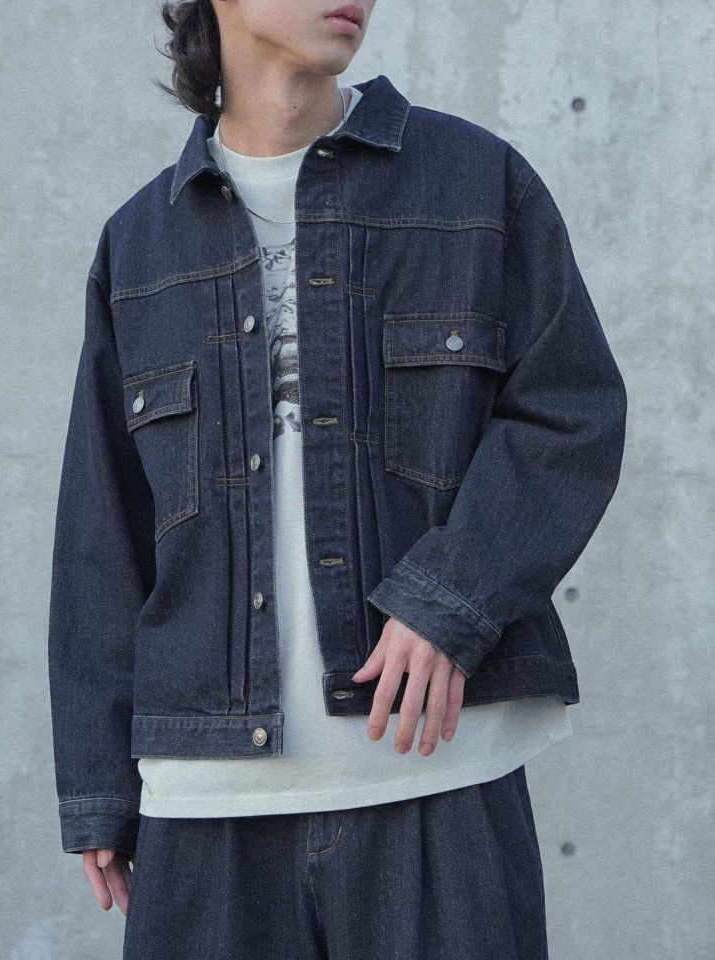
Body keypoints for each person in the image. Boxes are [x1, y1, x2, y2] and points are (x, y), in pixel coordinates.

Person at [47, 2, 627, 958]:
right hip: (206, 813)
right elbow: (100, 528)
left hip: (438, 785)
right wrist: (98, 782)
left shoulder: (477, 185)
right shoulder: (140, 245)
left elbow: (569, 413)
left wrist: (449, 601)